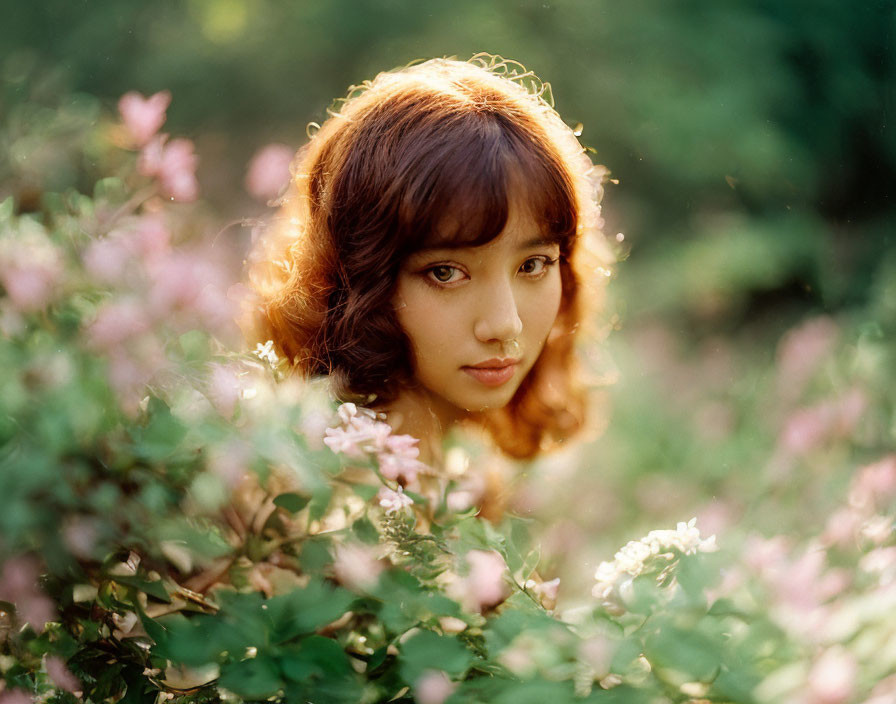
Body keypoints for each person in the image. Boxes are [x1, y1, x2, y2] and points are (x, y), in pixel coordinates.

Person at [245, 54, 613, 501]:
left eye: (532, 265)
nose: (505, 325)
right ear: (358, 276)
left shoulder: (463, 480)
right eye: (446, 273)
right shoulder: (317, 507)